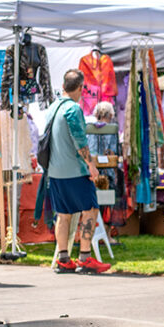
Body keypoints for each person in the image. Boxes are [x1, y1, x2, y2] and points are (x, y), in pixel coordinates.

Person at [45, 69, 110, 274]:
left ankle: (63, 259)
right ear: (81, 87)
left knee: (63, 215)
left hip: (55, 171)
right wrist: (91, 164)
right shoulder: (73, 109)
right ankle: (85, 257)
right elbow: (79, 140)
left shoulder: (53, 107)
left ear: (63, 85)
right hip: (74, 170)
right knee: (90, 210)